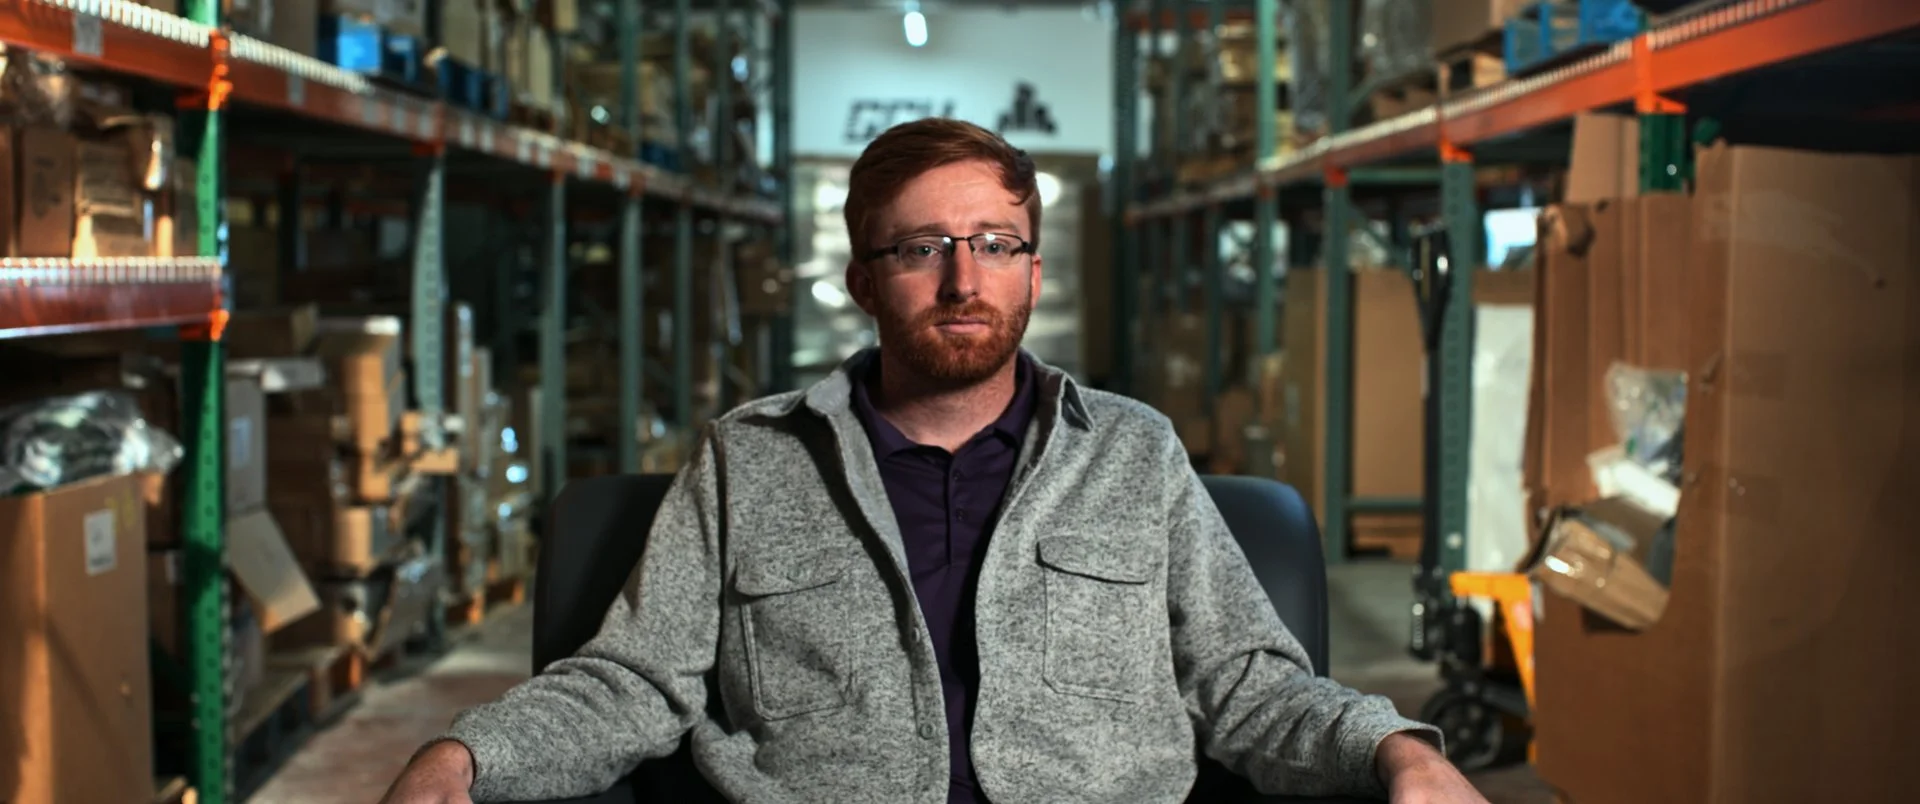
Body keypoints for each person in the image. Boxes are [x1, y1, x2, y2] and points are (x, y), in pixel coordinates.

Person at [381, 118, 1486, 804]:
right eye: (920, 248)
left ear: (1032, 273)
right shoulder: (750, 460)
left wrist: (1398, 750)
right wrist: (463, 757)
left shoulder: (1135, 457)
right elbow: (633, 680)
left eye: (994, 245)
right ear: (866, 281)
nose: (964, 280)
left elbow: (1245, 684)